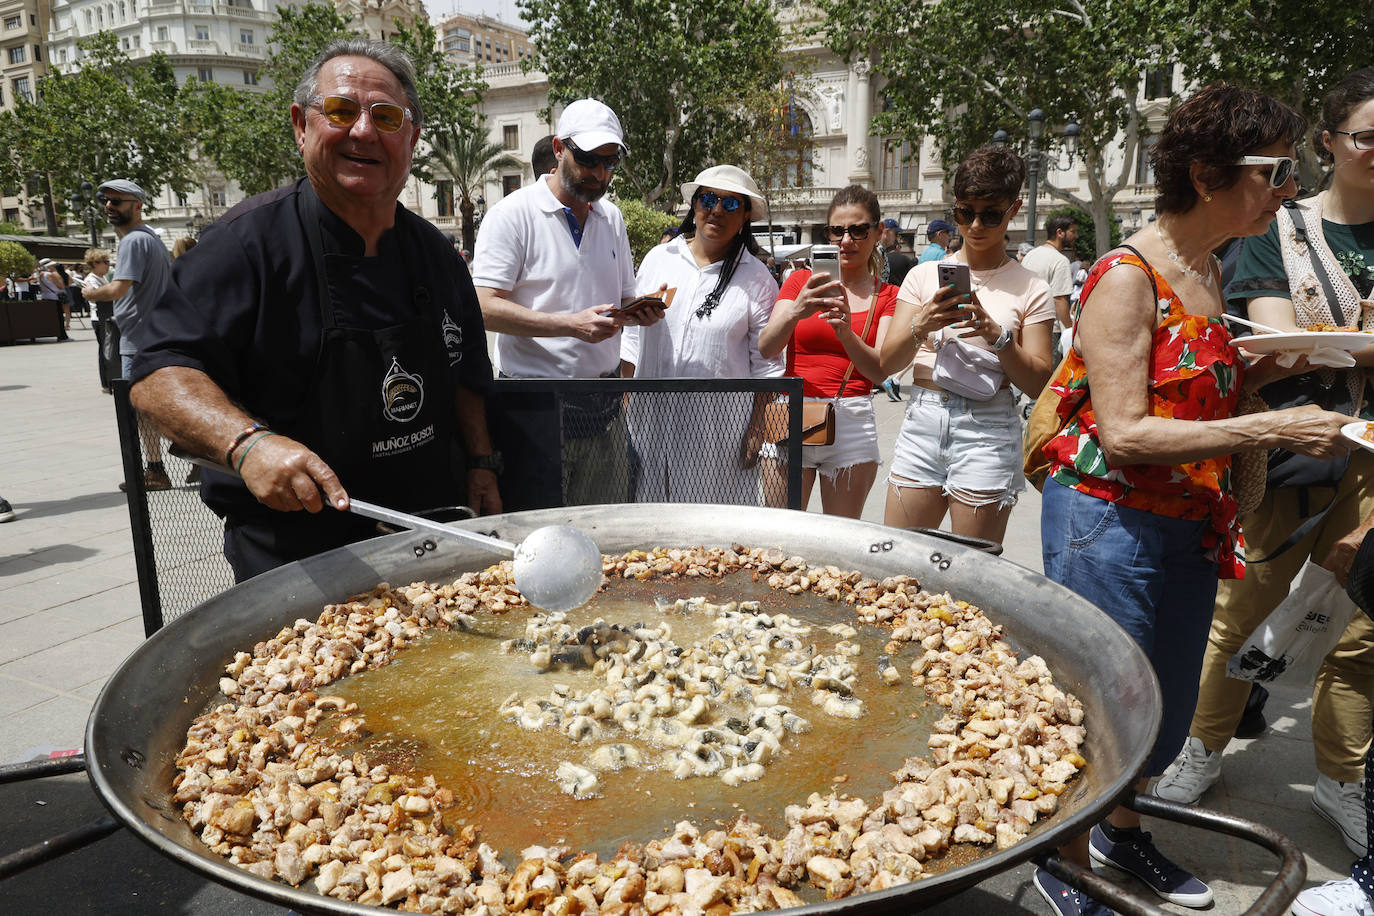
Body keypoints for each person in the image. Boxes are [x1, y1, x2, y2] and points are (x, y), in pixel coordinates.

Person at [1033, 86, 1352, 916]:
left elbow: (1190, 387)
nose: (1289, 189)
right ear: (1210, 175)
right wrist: (1269, 431)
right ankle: (1063, 858)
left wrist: (1259, 373)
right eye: (1276, 172)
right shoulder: (1126, 276)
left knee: (1163, 712)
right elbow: (1129, 431)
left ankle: (1120, 830)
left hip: (1182, 523)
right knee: (1102, 709)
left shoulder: (1207, 268)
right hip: (1106, 520)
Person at [128, 39, 499, 581]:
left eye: (387, 117)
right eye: (343, 111)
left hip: (427, 534)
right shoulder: (245, 245)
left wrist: (481, 462)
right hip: (296, 554)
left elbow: (466, 373)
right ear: (302, 126)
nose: (364, 132)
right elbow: (157, 372)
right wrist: (246, 445)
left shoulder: (437, 254)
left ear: (412, 139)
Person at [1154, 67, 1374, 863]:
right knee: (1240, 609)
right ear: (1330, 142)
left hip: (1371, 460)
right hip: (1294, 445)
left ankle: (1340, 778)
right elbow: (1278, 342)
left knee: (1364, 624)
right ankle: (1200, 751)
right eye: (1366, 135)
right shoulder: (1280, 228)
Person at [471, 98, 664, 508]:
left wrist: (638, 311)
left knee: (607, 539)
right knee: (540, 541)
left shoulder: (611, 217)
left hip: (604, 408)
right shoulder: (512, 215)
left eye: (610, 162)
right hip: (534, 409)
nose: (600, 173)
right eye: (589, 159)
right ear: (559, 149)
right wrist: (569, 325)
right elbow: (482, 307)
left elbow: (623, 296)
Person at [879, 146, 1055, 545]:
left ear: (1014, 210)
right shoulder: (923, 276)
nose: (975, 224)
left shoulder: (1032, 286)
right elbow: (886, 364)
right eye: (965, 212)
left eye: (990, 213)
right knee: (896, 563)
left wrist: (999, 337)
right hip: (923, 421)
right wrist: (920, 326)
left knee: (971, 576)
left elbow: (1040, 383)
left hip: (988, 428)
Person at [621, 165, 783, 503]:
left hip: (717, 430)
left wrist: (756, 430)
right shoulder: (659, 259)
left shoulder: (757, 279)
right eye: (708, 199)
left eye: (731, 205)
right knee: (647, 517)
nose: (717, 210)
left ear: (745, 217)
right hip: (648, 421)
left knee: (711, 525)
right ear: (694, 206)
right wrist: (624, 405)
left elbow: (767, 366)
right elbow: (631, 344)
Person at [758, 184, 897, 518]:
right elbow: (766, 347)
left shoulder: (888, 296)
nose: (846, 241)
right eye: (837, 231)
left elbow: (880, 371)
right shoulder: (798, 283)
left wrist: (846, 333)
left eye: (858, 230)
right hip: (790, 415)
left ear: (878, 232)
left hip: (851, 421)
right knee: (783, 538)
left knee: (841, 542)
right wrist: (796, 310)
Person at [84, 179, 173, 492]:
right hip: (154, 335)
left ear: (137, 205)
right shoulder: (150, 238)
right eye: (106, 200)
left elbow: (119, 288)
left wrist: (91, 293)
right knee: (157, 407)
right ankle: (187, 462)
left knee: (141, 410)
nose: (110, 206)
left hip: (139, 341)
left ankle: (157, 470)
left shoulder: (134, 240)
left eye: (117, 201)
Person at [1022, 214, 1079, 355]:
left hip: (1025, 325)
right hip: (1050, 330)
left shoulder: (1030, 255)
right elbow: (1059, 300)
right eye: (1073, 231)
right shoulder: (1060, 261)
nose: (1076, 236)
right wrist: (1070, 329)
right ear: (1060, 233)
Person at [36, 258, 70, 341]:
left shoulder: (40, 274)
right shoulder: (51, 274)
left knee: (52, 318)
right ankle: (62, 336)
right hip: (55, 298)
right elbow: (61, 286)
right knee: (59, 318)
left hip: (45, 297)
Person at [879, 217, 914, 287]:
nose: (897, 238)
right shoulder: (877, 250)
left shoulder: (882, 251)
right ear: (887, 232)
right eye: (896, 234)